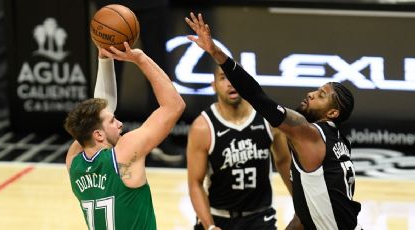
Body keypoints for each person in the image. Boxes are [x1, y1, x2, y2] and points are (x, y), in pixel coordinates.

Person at [185, 12, 362, 230]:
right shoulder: (340, 143)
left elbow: (256, 96)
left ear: (333, 113)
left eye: (321, 95)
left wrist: (215, 52)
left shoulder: (309, 134)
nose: (311, 93)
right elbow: (305, 214)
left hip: (260, 217)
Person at [64, 42, 185, 229]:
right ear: (98, 135)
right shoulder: (124, 152)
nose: (120, 124)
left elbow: (101, 108)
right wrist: (140, 59)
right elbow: (174, 105)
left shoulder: (74, 162)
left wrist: (104, 59)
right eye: (113, 121)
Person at [186, 65, 292, 230]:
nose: (230, 83)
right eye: (223, 78)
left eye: (234, 77)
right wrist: (210, 227)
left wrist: (302, 206)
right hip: (218, 218)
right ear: (213, 85)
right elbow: (195, 183)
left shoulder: (267, 118)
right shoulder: (203, 127)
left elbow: (284, 161)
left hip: (260, 218)